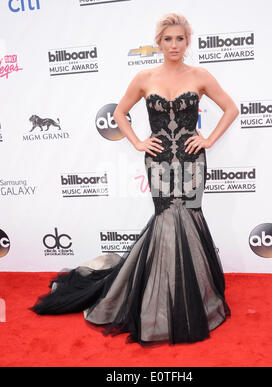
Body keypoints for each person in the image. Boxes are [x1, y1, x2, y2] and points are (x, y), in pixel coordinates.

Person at [30, 13, 239, 347]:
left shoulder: (201, 75)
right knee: (166, 219)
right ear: (159, 42)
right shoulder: (144, 77)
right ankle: (159, 300)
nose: (174, 45)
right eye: (168, 39)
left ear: (188, 42)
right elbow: (118, 113)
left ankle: (192, 297)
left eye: (180, 39)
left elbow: (231, 108)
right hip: (157, 162)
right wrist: (139, 142)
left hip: (191, 162)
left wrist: (208, 139)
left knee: (189, 217)